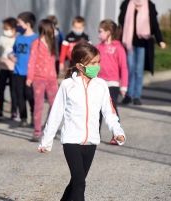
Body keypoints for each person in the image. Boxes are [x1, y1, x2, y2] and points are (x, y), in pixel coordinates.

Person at [38, 42, 126, 200]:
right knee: (80, 183)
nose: (97, 66)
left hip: (91, 142)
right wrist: (46, 141)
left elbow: (109, 112)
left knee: (75, 182)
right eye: (93, 63)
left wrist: (117, 131)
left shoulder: (101, 85)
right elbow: (55, 114)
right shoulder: (67, 85)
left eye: (98, 62)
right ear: (79, 65)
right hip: (71, 141)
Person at [119, 0, 166, 105]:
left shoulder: (149, 5)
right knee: (129, 69)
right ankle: (128, 95)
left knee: (138, 71)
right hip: (129, 43)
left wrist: (160, 40)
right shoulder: (127, 4)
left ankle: (137, 96)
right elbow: (121, 22)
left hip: (143, 44)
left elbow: (154, 25)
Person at [96, 19, 129, 145]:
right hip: (99, 83)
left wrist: (124, 86)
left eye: (101, 31)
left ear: (108, 32)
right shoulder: (97, 47)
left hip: (113, 84)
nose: (99, 34)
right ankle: (95, 135)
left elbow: (124, 68)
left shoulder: (118, 48)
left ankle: (117, 135)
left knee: (112, 108)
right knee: (96, 110)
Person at [26, 19, 58, 142]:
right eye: (53, 28)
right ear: (47, 29)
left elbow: (53, 60)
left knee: (54, 104)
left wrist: (55, 75)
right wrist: (29, 77)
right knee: (38, 105)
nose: (54, 31)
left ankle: (48, 127)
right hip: (38, 78)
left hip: (51, 78)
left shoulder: (52, 43)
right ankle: (37, 131)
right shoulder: (36, 43)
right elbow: (32, 61)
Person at [9, 12, 38, 127]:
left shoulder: (36, 39)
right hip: (17, 72)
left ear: (27, 24)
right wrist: (11, 55)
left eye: (19, 23)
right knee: (19, 96)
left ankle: (34, 116)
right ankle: (23, 118)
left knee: (30, 95)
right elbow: (13, 51)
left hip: (30, 73)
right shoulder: (19, 37)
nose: (17, 25)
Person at [0, 17, 17, 119]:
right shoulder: (1, 39)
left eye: (7, 28)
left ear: (13, 28)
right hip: (2, 67)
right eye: (4, 28)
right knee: (0, 89)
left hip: (14, 68)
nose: (5, 30)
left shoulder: (18, 39)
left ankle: (14, 111)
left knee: (14, 90)